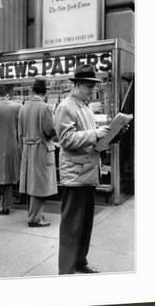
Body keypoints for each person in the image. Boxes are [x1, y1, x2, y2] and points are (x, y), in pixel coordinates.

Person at [55, 64, 111, 274]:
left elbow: (85, 138)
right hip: (75, 174)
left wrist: (108, 136)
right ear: (77, 85)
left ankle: (79, 261)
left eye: (92, 87)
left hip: (87, 172)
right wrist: (95, 134)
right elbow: (66, 139)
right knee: (72, 225)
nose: (91, 91)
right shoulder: (66, 106)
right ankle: (66, 269)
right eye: (88, 86)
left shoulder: (84, 106)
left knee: (85, 224)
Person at [18, 78, 58, 227]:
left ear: (32, 91)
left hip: (27, 149)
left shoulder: (23, 107)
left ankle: (35, 214)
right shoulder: (46, 107)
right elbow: (49, 131)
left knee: (31, 183)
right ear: (45, 92)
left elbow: (20, 133)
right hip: (41, 148)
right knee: (40, 184)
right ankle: (35, 218)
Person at [0, 84, 21, 216]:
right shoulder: (17, 107)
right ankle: (6, 206)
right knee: (9, 176)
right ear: (8, 94)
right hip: (12, 146)